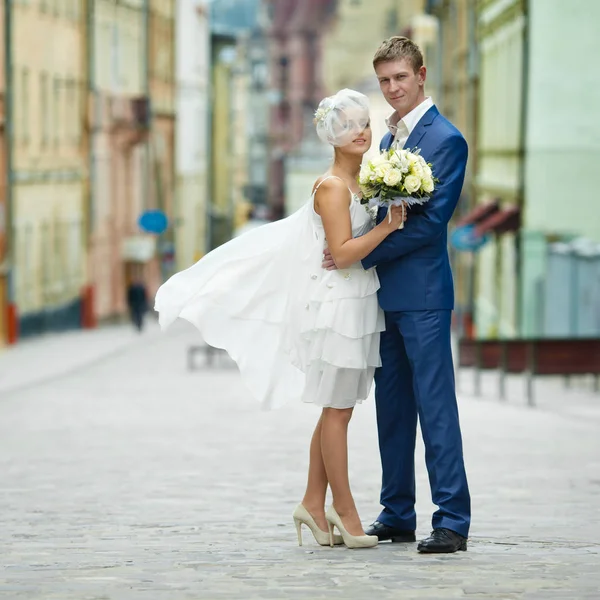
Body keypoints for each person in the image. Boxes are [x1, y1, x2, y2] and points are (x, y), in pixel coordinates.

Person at [154, 89, 406, 549]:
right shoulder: (331, 187)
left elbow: (348, 249)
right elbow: (345, 255)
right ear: (332, 136)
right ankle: (345, 514)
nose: (361, 132)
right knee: (337, 412)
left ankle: (313, 504)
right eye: (349, 126)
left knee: (338, 409)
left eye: (365, 123)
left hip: (358, 302)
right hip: (337, 307)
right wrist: (388, 227)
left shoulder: (365, 183)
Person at [324, 36, 471, 554]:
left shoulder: (445, 139)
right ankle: (398, 511)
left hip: (425, 297)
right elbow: (383, 215)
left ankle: (452, 519)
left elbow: (427, 226)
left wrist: (357, 253)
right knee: (391, 410)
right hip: (384, 297)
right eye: (384, 81)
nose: (392, 89)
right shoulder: (387, 143)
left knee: (435, 409)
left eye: (400, 78)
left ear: (421, 75)